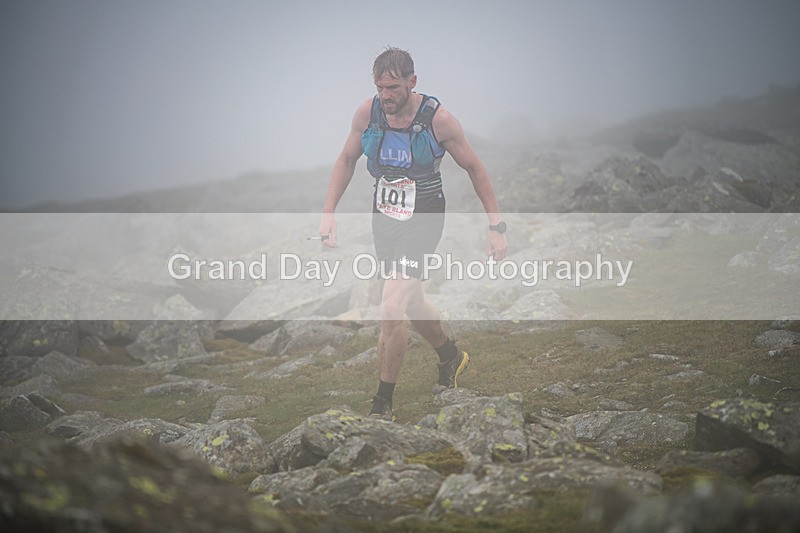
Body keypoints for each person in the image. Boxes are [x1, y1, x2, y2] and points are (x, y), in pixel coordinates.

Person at [318, 47, 508, 421]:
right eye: (379, 87)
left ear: (412, 82)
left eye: (392, 87)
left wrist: (496, 227)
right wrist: (328, 213)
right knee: (411, 301)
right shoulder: (366, 113)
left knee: (390, 306)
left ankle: (382, 404)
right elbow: (346, 159)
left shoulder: (440, 120)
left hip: (424, 216)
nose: (385, 95)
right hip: (385, 215)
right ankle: (450, 355)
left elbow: (476, 169)